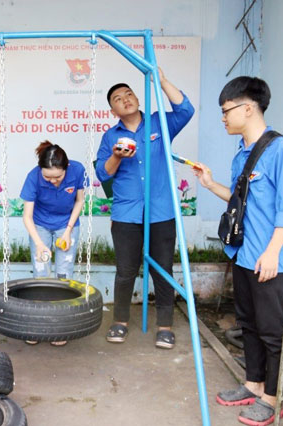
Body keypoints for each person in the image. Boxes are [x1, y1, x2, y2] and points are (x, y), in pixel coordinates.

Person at [193, 76, 283, 426]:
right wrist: (210, 185)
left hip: (270, 259)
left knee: (272, 331)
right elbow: (241, 204)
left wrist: (272, 252)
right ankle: (253, 384)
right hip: (243, 255)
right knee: (249, 325)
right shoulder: (242, 153)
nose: (223, 118)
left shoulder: (282, 151)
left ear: (247, 107)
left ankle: (273, 399)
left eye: (226, 111)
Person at [95, 68, 195, 349]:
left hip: (161, 211)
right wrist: (116, 156)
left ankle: (165, 325)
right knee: (125, 271)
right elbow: (103, 174)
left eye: (129, 93)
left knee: (162, 269)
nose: (125, 99)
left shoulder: (159, 123)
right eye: (118, 98)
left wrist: (161, 81)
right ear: (113, 109)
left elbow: (186, 110)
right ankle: (120, 321)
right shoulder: (110, 137)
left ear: (138, 97)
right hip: (126, 213)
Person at [20, 141, 86, 346]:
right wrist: (40, 244)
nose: (54, 181)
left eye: (58, 177)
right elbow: (27, 216)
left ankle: (60, 325)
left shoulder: (77, 170)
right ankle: (38, 324)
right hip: (39, 225)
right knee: (41, 272)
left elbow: (79, 201)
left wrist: (68, 231)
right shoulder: (33, 177)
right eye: (48, 177)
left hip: (67, 224)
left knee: (64, 273)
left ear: (66, 168)